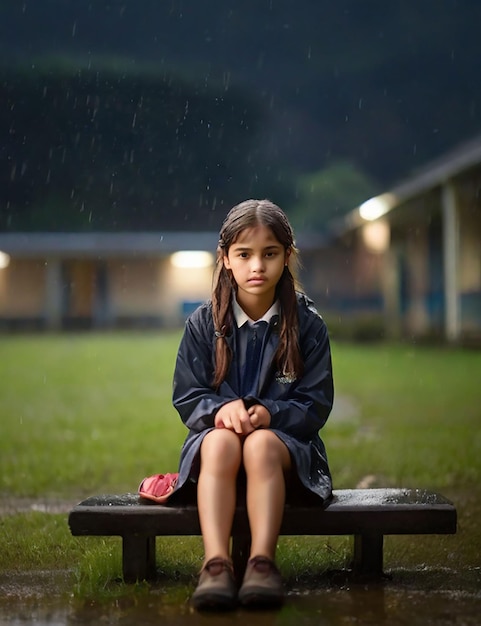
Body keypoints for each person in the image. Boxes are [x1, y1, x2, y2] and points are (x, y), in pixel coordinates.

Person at [171, 199, 334, 610]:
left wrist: (271, 414)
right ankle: (216, 564)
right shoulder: (203, 324)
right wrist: (217, 411)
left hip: (287, 456)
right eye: (244, 254)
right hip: (218, 459)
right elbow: (188, 396)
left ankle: (262, 563)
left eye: (270, 253)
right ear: (225, 258)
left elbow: (316, 404)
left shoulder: (308, 326)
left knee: (259, 444)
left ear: (287, 256)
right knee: (222, 441)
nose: (256, 265)